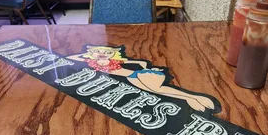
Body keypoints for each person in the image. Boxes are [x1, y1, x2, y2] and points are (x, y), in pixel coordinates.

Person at [67, 46, 215, 112]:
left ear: (112, 54)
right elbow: (69, 58)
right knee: (159, 92)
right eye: (97, 51)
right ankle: (192, 99)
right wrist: (85, 56)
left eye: (106, 52)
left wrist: (146, 70)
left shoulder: (118, 62)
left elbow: (141, 62)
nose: (101, 54)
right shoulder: (92, 62)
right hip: (132, 78)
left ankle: (193, 97)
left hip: (139, 75)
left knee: (157, 90)